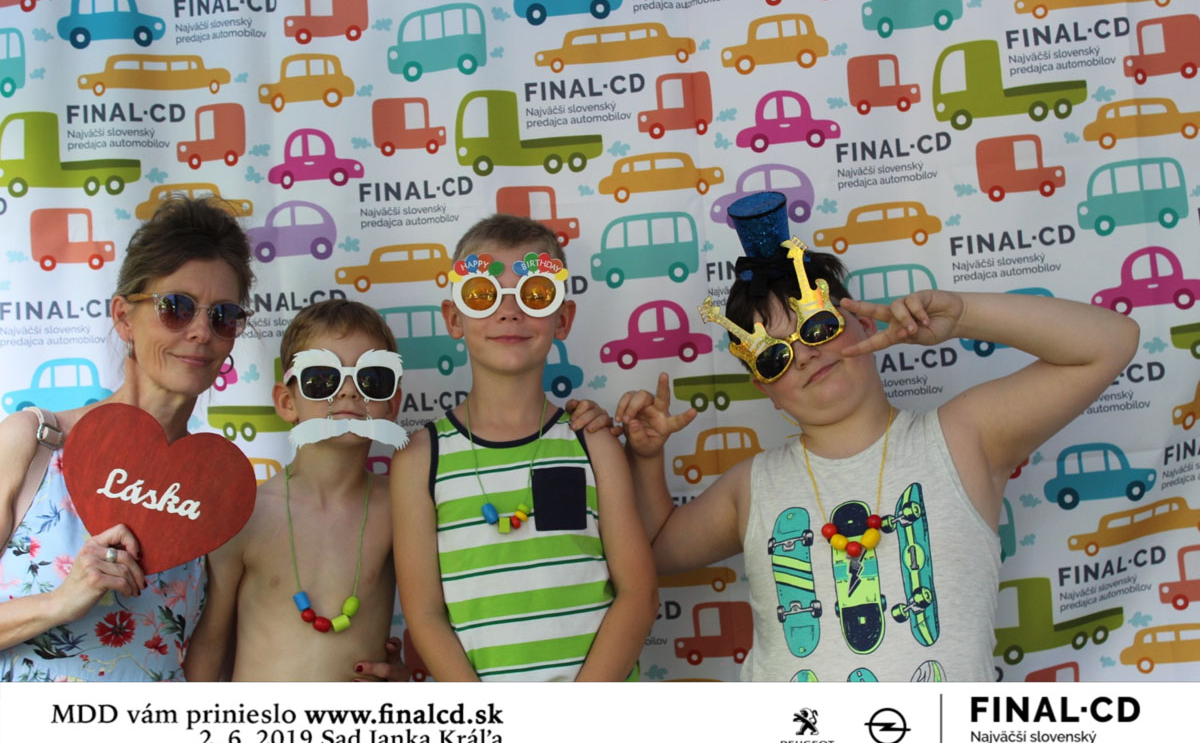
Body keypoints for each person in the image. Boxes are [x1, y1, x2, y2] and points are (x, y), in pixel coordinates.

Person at [615, 191, 1138, 682]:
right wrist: (646, 457)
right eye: (775, 356)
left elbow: (1111, 343)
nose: (805, 354)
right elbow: (655, 551)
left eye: (817, 326)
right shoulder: (752, 485)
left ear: (863, 322)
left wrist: (962, 316)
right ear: (765, 389)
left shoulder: (960, 440)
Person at [392, 214, 658, 681]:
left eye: (535, 295)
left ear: (563, 319)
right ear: (454, 318)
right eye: (483, 295)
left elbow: (638, 594)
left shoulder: (593, 443)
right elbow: (426, 615)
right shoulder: (418, 459)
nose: (509, 311)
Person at [0, 196, 256, 681]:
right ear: (123, 316)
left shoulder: (217, 498)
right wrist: (60, 601)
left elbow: (207, 673)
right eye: (176, 308)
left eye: (222, 315)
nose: (201, 332)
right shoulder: (33, 443)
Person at [185, 300, 409, 682]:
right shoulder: (246, 512)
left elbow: (436, 615)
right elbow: (209, 645)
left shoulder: (401, 508)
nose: (349, 392)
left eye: (372, 379)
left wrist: (407, 679)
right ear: (287, 402)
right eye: (322, 379)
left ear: (392, 403)